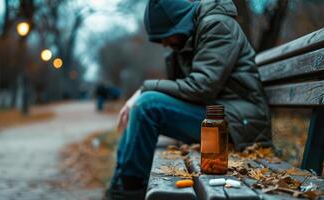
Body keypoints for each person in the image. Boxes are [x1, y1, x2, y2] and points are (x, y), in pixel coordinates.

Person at [105, 0, 271, 199]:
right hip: (217, 117)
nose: (165, 44)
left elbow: (201, 87)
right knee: (144, 105)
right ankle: (120, 187)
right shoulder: (190, 36)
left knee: (147, 105)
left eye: (164, 37)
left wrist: (144, 89)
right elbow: (181, 88)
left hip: (237, 124)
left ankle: (128, 192)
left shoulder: (217, 26)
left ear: (178, 23)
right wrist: (142, 93)